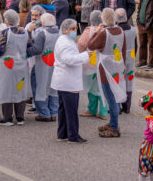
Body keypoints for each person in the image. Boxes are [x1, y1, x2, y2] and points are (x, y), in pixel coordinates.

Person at [86, 8, 126, 138]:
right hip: (117, 66)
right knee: (113, 95)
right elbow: (123, 50)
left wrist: (96, 32)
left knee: (110, 98)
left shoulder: (104, 33)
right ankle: (112, 122)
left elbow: (91, 45)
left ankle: (114, 127)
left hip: (105, 68)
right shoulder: (120, 31)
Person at [51, 18, 90, 143]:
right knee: (71, 110)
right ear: (65, 30)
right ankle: (73, 135)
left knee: (63, 109)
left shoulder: (65, 40)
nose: (75, 31)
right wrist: (85, 56)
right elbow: (69, 59)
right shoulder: (65, 43)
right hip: (68, 81)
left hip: (64, 80)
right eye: (72, 29)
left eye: (75, 28)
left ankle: (62, 133)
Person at [0, 10, 32, 125]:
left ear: (7, 20)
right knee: (20, 88)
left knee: (6, 90)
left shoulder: (5, 33)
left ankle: (7, 118)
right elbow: (30, 46)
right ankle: (20, 117)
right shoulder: (25, 32)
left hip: (7, 65)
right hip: (22, 64)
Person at [31, 13, 60, 121]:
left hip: (41, 65)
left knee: (40, 87)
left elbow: (37, 49)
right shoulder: (60, 33)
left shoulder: (43, 34)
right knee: (53, 88)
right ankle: (53, 113)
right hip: (55, 64)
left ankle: (44, 113)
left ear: (42, 22)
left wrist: (27, 52)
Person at [116, 8, 137, 114]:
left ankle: (118, 105)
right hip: (131, 57)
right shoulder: (133, 30)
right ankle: (127, 106)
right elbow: (136, 44)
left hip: (119, 57)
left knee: (119, 80)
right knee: (129, 80)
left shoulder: (117, 30)